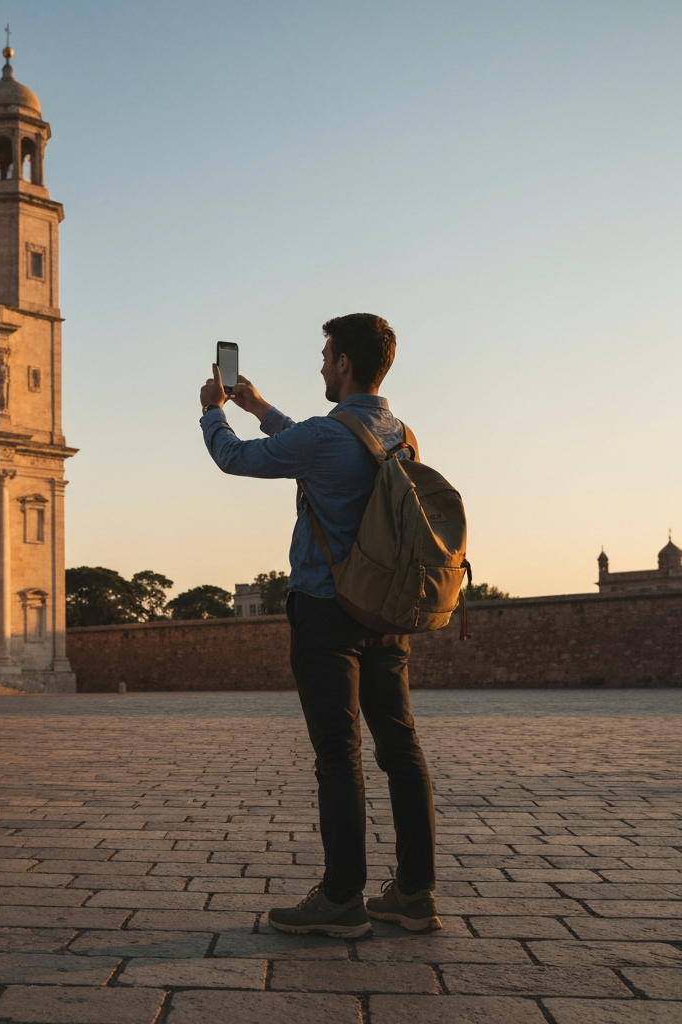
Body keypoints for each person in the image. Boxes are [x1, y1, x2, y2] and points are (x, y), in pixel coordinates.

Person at [198, 313, 440, 938]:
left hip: (327, 614)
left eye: (326, 355)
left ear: (343, 364)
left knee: (339, 756)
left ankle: (341, 898)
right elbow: (310, 443)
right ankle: (414, 893)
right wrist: (256, 404)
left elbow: (237, 459)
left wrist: (214, 413)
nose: (321, 364)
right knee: (402, 748)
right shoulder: (400, 435)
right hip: (385, 613)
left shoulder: (325, 437)